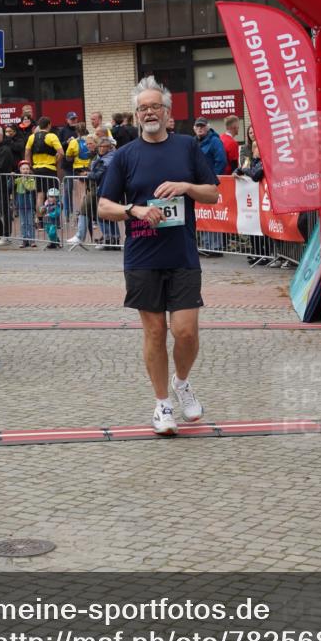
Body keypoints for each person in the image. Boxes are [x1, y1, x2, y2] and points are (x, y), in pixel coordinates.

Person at [98, 76, 219, 435]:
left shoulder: (187, 147)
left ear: (167, 112)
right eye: (143, 108)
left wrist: (186, 187)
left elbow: (213, 193)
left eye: (155, 106)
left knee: (185, 332)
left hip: (182, 254)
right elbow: (103, 206)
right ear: (136, 115)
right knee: (154, 332)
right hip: (142, 255)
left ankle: (182, 382)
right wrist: (133, 210)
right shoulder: (125, 156)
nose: (149, 112)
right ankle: (162, 404)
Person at [193, 116, 226, 257]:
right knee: (203, 214)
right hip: (198, 183)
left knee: (213, 214)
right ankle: (206, 245)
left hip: (210, 184)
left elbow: (221, 161)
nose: (200, 128)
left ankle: (215, 247)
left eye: (202, 126)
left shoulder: (215, 141)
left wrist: (213, 179)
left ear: (208, 127)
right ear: (194, 128)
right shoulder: (193, 142)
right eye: (198, 126)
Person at [24, 115, 63, 215]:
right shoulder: (52, 136)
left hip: (36, 170)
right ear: (49, 125)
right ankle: (52, 217)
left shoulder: (31, 137)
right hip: (50, 169)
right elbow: (61, 153)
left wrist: (29, 167)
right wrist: (55, 161)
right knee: (52, 194)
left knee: (39, 195)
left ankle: (40, 219)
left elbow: (27, 153)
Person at [15, 160, 37, 246]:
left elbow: (30, 188)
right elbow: (10, 186)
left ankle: (32, 240)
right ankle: (24, 239)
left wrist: (24, 180)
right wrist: (11, 178)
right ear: (20, 170)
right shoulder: (18, 179)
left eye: (27, 169)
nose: (25, 171)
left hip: (29, 205)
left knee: (30, 222)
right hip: (21, 205)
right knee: (23, 223)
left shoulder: (31, 179)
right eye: (23, 169)